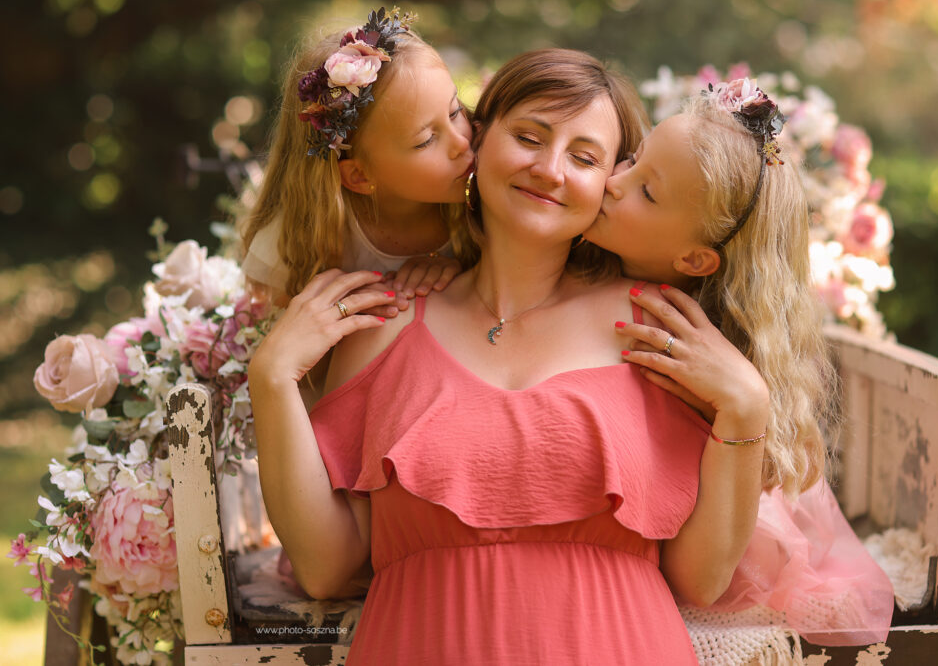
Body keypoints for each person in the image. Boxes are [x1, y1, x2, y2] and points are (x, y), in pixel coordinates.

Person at [250, 48, 771, 664]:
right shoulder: (382, 322)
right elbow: (324, 567)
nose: (549, 169)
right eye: (528, 136)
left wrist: (746, 409)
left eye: (584, 157)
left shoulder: (653, 325)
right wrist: (273, 378)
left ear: (609, 182)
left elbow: (699, 579)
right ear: (478, 140)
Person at [582, 81, 894, 645]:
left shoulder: (683, 346)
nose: (612, 179)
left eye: (646, 192)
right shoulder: (591, 267)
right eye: (632, 159)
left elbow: (700, 571)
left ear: (695, 259)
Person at [239, 7, 473, 314]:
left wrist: (466, 277)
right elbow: (287, 342)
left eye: (455, 112)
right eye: (425, 140)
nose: (462, 142)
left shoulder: (487, 201)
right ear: (360, 176)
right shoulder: (304, 240)